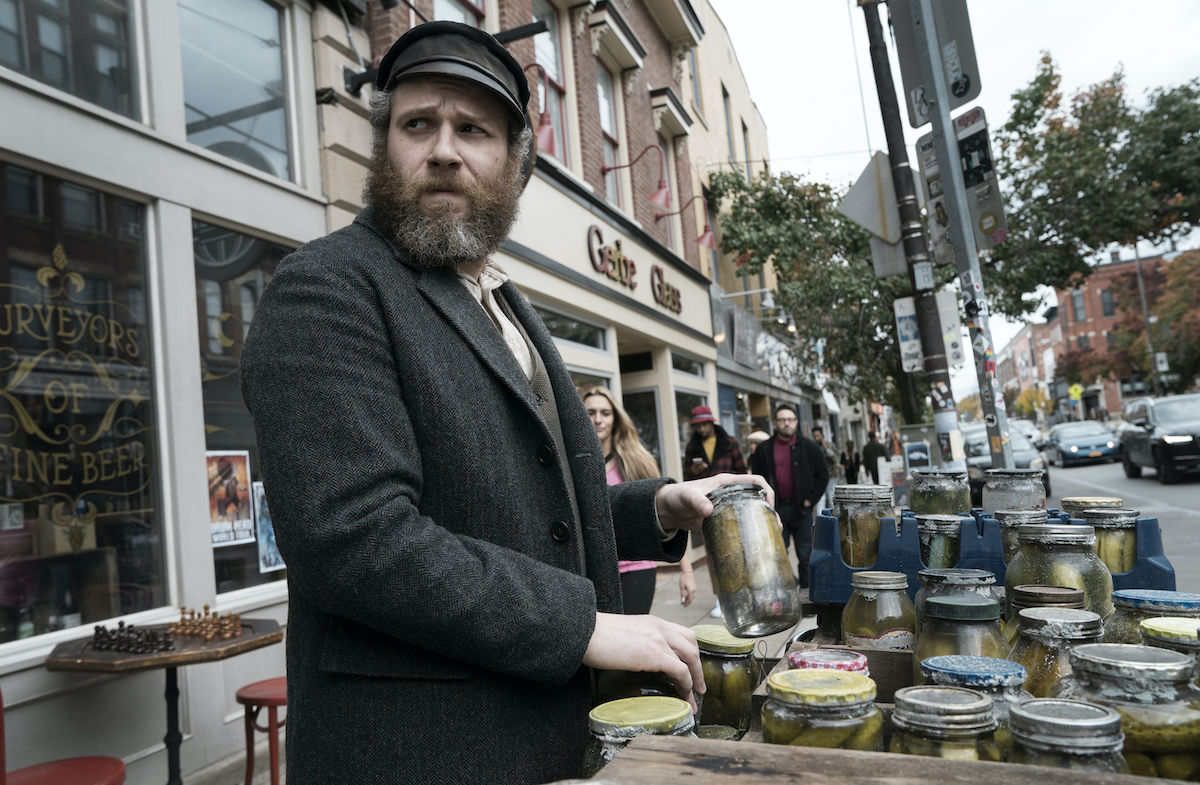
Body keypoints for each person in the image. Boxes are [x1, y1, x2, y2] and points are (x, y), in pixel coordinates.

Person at [239, 22, 770, 785]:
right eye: (418, 124)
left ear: (518, 165)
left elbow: (519, 508)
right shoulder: (326, 286)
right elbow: (352, 538)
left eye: (473, 129)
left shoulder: (501, 299)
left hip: (543, 737)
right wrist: (581, 624)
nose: (444, 149)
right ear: (385, 145)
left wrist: (656, 507)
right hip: (418, 757)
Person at [582, 386, 696, 611]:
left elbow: (668, 515)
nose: (598, 419)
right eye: (590, 412)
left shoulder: (636, 460)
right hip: (593, 572)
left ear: (615, 419)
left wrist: (686, 570)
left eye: (605, 413)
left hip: (636, 568)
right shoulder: (574, 462)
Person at [749, 405, 829, 589]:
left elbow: (823, 475)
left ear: (796, 422)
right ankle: (787, 592)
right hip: (775, 510)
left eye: (790, 419)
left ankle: (808, 593)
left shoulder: (809, 447)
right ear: (775, 423)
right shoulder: (764, 449)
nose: (786, 423)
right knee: (777, 555)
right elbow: (757, 479)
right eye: (782, 420)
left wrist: (810, 500)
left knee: (806, 555)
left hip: (801, 509)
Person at [683, 406, 747, 479]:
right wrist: (693, 471)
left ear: (711, 423)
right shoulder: (692, 446)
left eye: (704, 424)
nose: (701, 429)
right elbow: (686, 477)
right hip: (704, 486)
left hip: (726, 485)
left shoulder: (730, 442)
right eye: (698, 426)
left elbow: (741, 472)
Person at [812, 426, 838, 510]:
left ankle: (833, 516)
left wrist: (826, 448)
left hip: (831, 476)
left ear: (822, 436)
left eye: (818, 436)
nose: (816, 438)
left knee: (831, 498)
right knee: (820, 500)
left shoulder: (830, 445)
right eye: (814, 436)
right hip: (818, 478)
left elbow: (835, 459)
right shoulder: (813, 447)